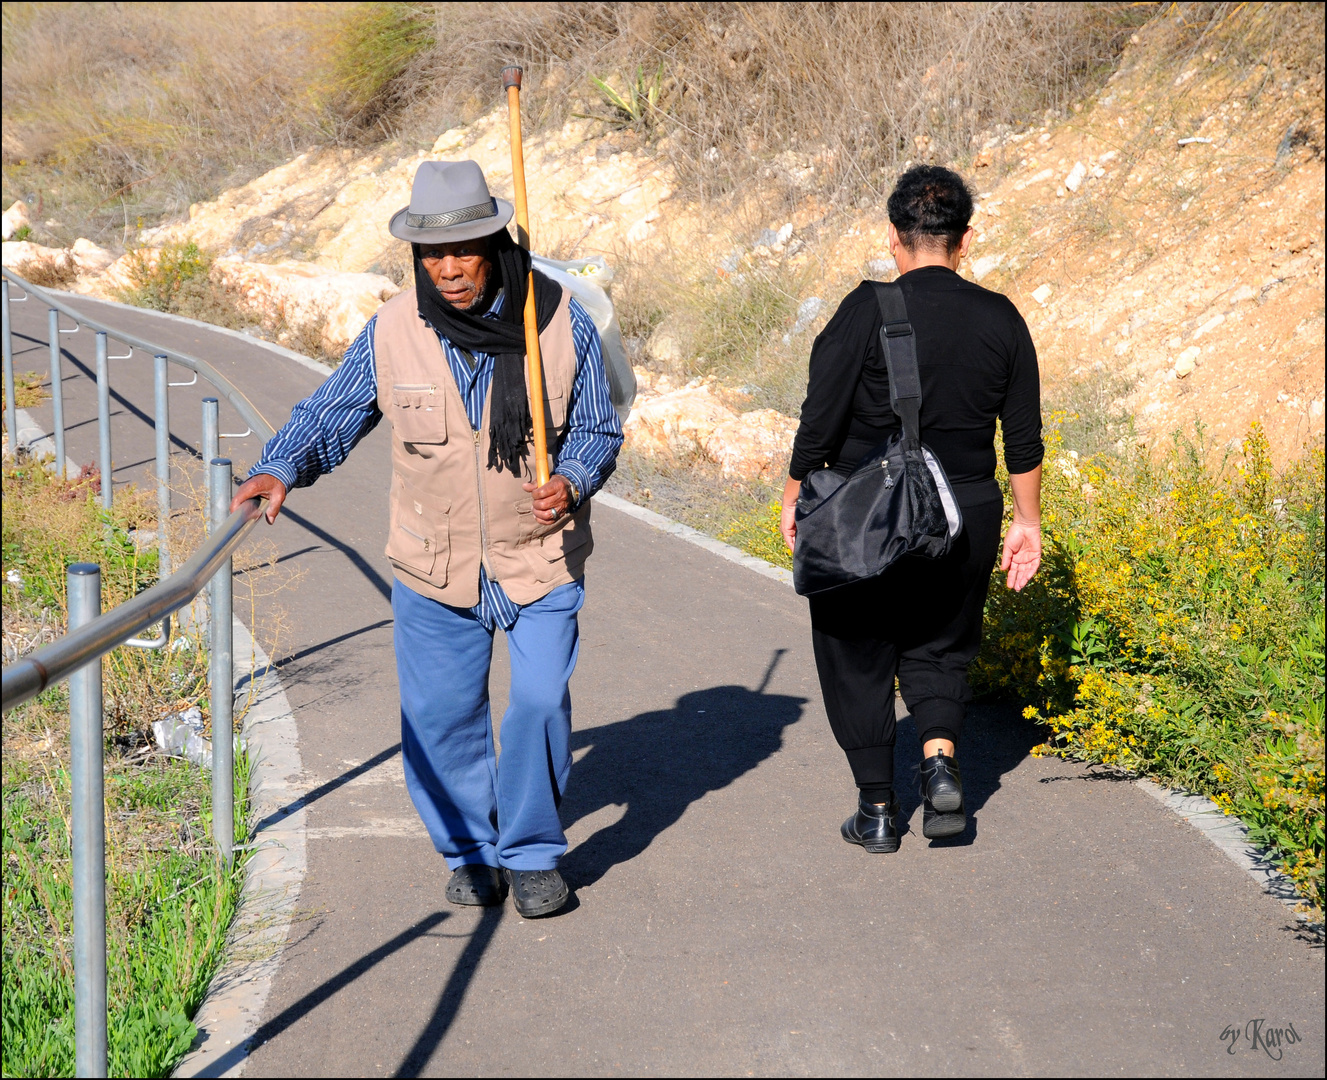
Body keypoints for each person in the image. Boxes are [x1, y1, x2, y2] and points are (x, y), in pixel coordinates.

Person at [231, 160, 623, 916]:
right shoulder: (392, 328)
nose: (445, 269)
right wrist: (279, 467)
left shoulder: (557, 318)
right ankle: (471, 851)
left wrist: (571, 477)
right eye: (430, 254)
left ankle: (534, 853)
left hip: (537, 554)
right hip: (430, 563)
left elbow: (600, 427)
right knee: (443, 719)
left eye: (462, 250)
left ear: (494, 244)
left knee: (539, 702)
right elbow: (333, 412)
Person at [780, 164, 1043, 853]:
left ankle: (874, 810)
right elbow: (1022, 439)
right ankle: (938, 765)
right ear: (963, 239)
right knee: (940, 646)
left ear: (894, 235)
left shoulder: (864, 309)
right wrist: (1027, 523)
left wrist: (793, 492)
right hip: (966, 513)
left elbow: (820, 416)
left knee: (855, 651)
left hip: (865, 510)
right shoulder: (1001, 318)